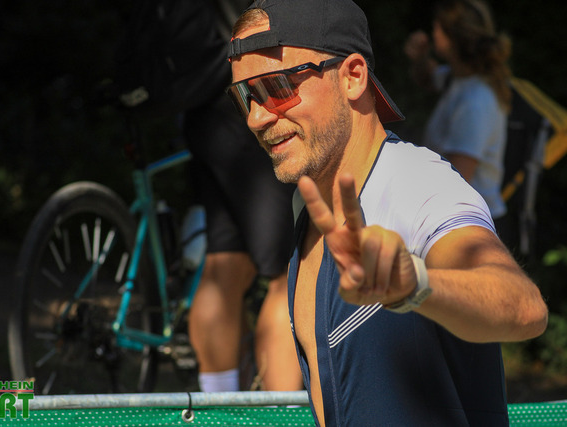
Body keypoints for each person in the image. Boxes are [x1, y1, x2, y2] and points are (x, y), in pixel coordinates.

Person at [226, 0, 548, 425]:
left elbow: (524, 308)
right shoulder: (307, 202)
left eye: (278, 86)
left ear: (353, 77)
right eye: (245, 95)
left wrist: (414, 285)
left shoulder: (416, 182)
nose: (256, 117)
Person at [115, 0, 303, 392]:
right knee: (288, 276)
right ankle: (278, 414)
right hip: (246, 104)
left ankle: (218, 407)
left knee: (225, 266)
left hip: (203, 112)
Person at [404, 0, 513, 238]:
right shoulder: (458, 80)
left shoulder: (475, 102)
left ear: (453, 38)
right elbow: (429, 77)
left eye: (437, 28)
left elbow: (456, 180)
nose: (433, 33)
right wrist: (420, 58)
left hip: (471, 229)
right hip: (458, 218)